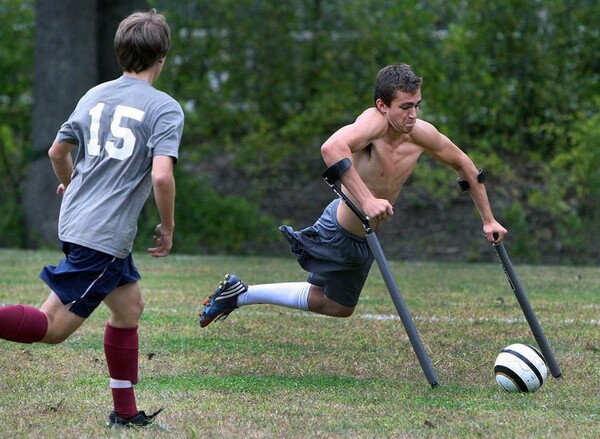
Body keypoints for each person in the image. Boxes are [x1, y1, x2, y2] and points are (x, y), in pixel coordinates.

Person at [198, 62, 507, 327]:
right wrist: (367, 200)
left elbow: (466, 167)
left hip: (365, 236)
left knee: (339, 307)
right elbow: (331, 148)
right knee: (332, 302)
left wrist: (489, 220)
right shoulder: (373, 123)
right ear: (383, 105)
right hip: (341, 229)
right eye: (405, 107)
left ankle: (240, 293)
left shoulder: (421, 134)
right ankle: (241, 294)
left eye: (417, 105)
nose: (412, 115)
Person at [0, 9, 183, 429]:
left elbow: (57, 153)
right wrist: (168, 227)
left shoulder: (94, 94)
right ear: (162, 58)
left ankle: (124, 414)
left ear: (121, 53)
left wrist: (70, 185)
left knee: (128, 308)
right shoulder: (165, 108)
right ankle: (124, 413)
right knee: (52, 327)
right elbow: (161, 175)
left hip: (82, 222)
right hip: (103, 233)